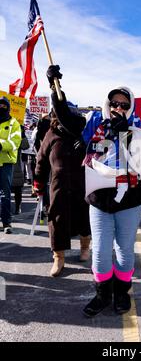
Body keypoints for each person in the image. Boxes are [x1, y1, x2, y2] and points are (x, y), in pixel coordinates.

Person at [46, 64, 141, 316]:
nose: (118, 108)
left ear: (130, 105)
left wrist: (127, 136)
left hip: (129, 198)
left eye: (123, 104)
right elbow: (66, 118)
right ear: (107, 104)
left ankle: (122, 292)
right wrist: (55, 89)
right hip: (99, 197)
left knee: (124, 247)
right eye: (114, 103)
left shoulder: (140, 128)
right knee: (99, 250)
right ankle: (102, 293)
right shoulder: (94, 122)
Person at [33, 105, 91, 277]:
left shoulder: (83, 132)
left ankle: (85, 247)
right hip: (59, 186)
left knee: (83, 216)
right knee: (57, 220)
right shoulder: (51, 134)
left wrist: (86, 146)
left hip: (82, 184)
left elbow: (99, 154)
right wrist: (38, 183)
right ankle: (58, 257)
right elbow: (41, 160)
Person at [0, 96, 22, 234]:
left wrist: (1, 145)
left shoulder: (14, 123)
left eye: (4, 106)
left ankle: (7, 222)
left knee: (4, 194)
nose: (1, 108)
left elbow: (15, 142)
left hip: (6, 163)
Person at [12, 126, 29, 214]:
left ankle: (18, 207)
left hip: (16, 167)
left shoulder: (16, 131)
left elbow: (25, 146)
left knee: (17, 189)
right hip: (4, 164)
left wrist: (22, 135)